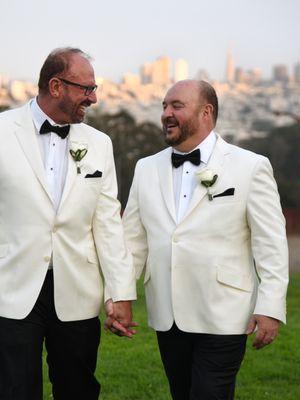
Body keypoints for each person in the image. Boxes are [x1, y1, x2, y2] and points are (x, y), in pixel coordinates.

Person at [0, 47, 137, 400]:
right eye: (86, 88)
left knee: (78, 388)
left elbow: (109, 224)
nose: (93, 98)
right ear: (56, 86)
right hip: (12, 286)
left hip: (78, 290)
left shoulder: (100, 144)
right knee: (18, 389)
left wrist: (121, 293)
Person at [121, 79, 289, 399]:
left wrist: (270, 306)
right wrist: (121, 295)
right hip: (167, 313)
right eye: (164, 106)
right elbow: (134, 240)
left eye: (177, 106)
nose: (166, 114)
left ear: (206, 113)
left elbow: (271, 243)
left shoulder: (251, 167)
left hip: (225, 312)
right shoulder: (146, 168)